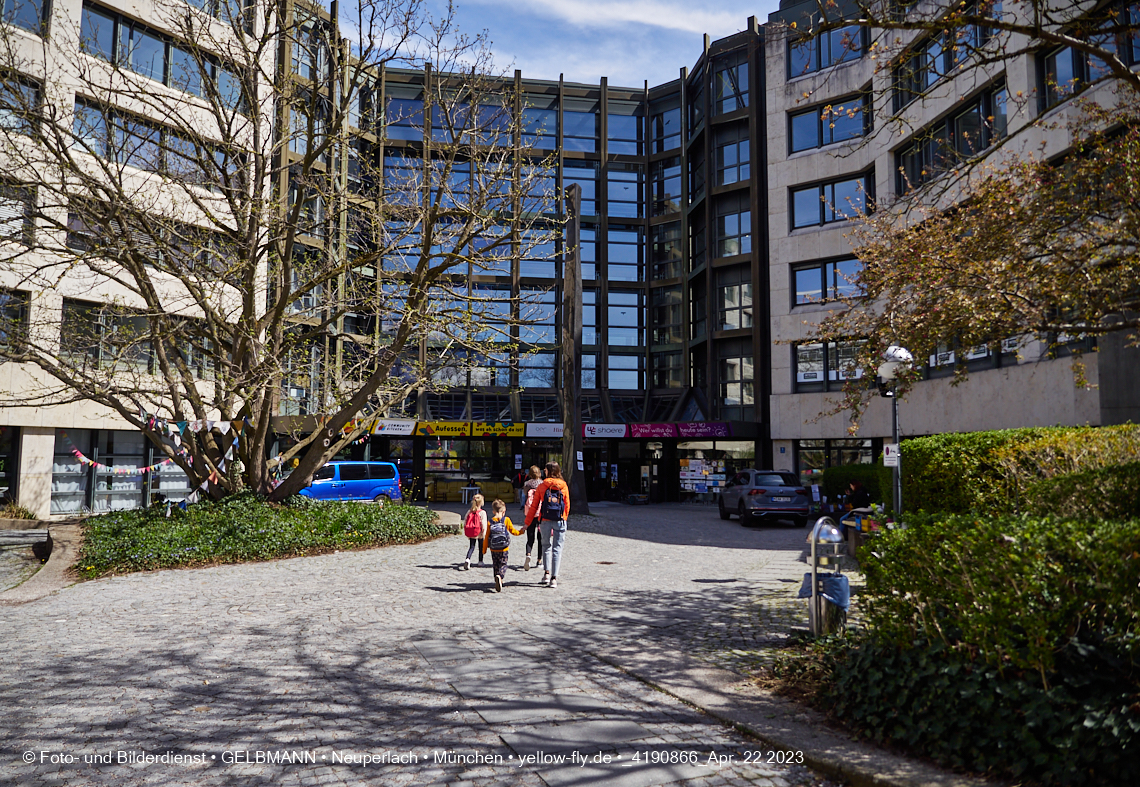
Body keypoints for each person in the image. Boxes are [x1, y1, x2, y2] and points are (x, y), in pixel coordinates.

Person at [524, 461, 570, 589]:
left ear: (548, 471)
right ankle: (554, 578)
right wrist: (563, 518)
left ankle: (546, 574)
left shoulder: (542, 486)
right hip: (560, 520)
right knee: (557, 548)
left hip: (544, 519)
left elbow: (534, 506)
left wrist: (527, 523)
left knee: (546, 546)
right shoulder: (564, 485)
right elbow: (567, 505)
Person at [483, 499, 525, 592]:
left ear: (493, 511)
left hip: (493, 549)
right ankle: (500, 576)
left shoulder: (490, 522)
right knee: (503, 564)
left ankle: (496, 578)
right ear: (504, 511)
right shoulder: (506, 520)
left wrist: (484, 549)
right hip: (504, 548)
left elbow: (486, 536)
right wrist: (521, 531)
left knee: (495, 564)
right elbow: (513, 531)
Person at [521, 465, 543, 570]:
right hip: (540, 513)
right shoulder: (542, 484)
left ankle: (528, 554)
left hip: (530, 513)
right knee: (541, 537)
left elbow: (524, 495)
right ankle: (539, 560)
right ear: (539, 473)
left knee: (530, 537)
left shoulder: (527, 484)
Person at [461, 493, 488, 570]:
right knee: (481, 547)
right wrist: (484, 533)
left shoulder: (469, 511)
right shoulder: (482, 512)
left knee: (472, 546)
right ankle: (480, 561)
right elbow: (484, 524)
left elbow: (465, 521)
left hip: (472, 532)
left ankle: (468, 558)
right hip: (479, 532)